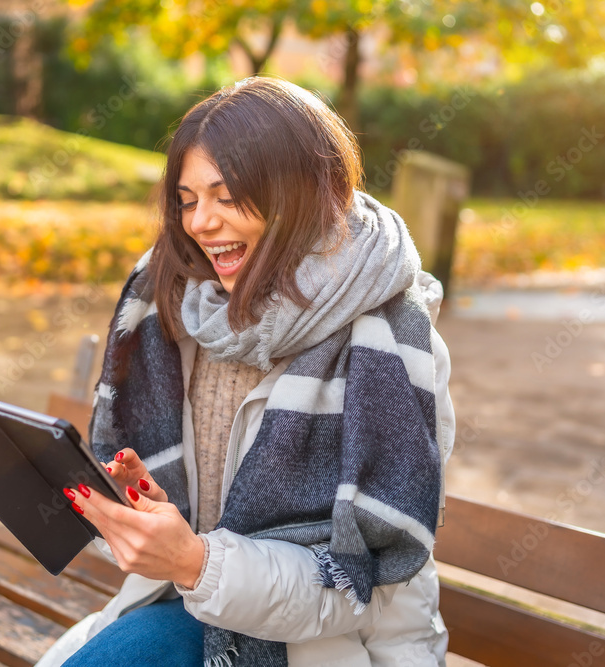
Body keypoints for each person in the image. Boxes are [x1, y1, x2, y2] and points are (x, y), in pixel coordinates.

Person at [36, 75, 455, 667]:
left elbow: (359, 587)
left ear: (304, 190)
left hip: (334, 644)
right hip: (187, 604)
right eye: (187, 200)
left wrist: (195, 561)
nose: (200, 223)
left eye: (226, 195)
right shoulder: (174, 307)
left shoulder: (392, 344)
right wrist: (163, 513)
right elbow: (202, 531)